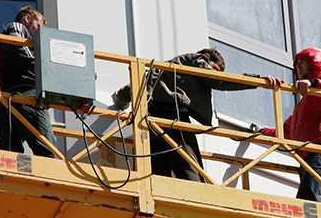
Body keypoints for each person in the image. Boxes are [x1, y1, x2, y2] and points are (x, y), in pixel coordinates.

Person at [113, 47, 277, 181]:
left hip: (149, 120)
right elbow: (218, 81)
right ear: (207, 58)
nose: (215, 75)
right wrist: (256, 80)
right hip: (173, 119)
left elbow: (133, 87)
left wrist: (120, 101)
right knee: (191, 169)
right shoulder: (198, 60)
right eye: (215, 69)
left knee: (157, 172)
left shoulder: (164, 70)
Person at [258, 47, 321, 203]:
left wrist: (313, 82)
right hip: (307, 158)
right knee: (314, 204)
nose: (297, 67)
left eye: (302, 62)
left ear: (314, 64)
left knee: (308, 204)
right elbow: (284, 132)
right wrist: (260, 132)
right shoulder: (302, 105)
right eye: (296, 64)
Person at [0, 7, 55, 157]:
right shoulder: (17, 27)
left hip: (2, 103)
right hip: (24, 97)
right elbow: (19, 49)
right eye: (38, 26)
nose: (39, 33)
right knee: (49, 153)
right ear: (27, 18)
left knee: (11, 158)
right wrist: (46, 68)